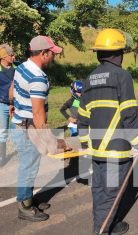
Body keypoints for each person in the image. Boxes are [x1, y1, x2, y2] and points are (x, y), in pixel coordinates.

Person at [77, 28, 138, 235]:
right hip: (115, 152)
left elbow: (82, 117)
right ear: (120, 53)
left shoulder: (89, 79)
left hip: (97, 150)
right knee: (110, 195)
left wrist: (85, 145)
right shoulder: (122, 76)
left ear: (99, 54)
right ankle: (101, 230)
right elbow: (129, 114)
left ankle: (112, 223)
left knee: (99, 192)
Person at [10, 35, 62, 221]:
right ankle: (25, 207)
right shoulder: (38, 77)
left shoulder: (22, 66)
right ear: (43, 53)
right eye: (52, 53)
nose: (54, 56)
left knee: (30, 164)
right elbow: (38, 114)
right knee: (29, 167)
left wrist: (13, 103)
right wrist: (50, 141)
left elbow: (12, 88)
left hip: (19, 123)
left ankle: (29, 199)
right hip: (28, 128)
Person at [0, 44, 15, 166]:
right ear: (3, 57)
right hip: (2, 106)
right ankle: (2, 158)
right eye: (11, 55)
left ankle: (21, 155)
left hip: (16, 105)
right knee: (2, 132)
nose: (13, 57)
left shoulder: (17, 68)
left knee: (19, 131)